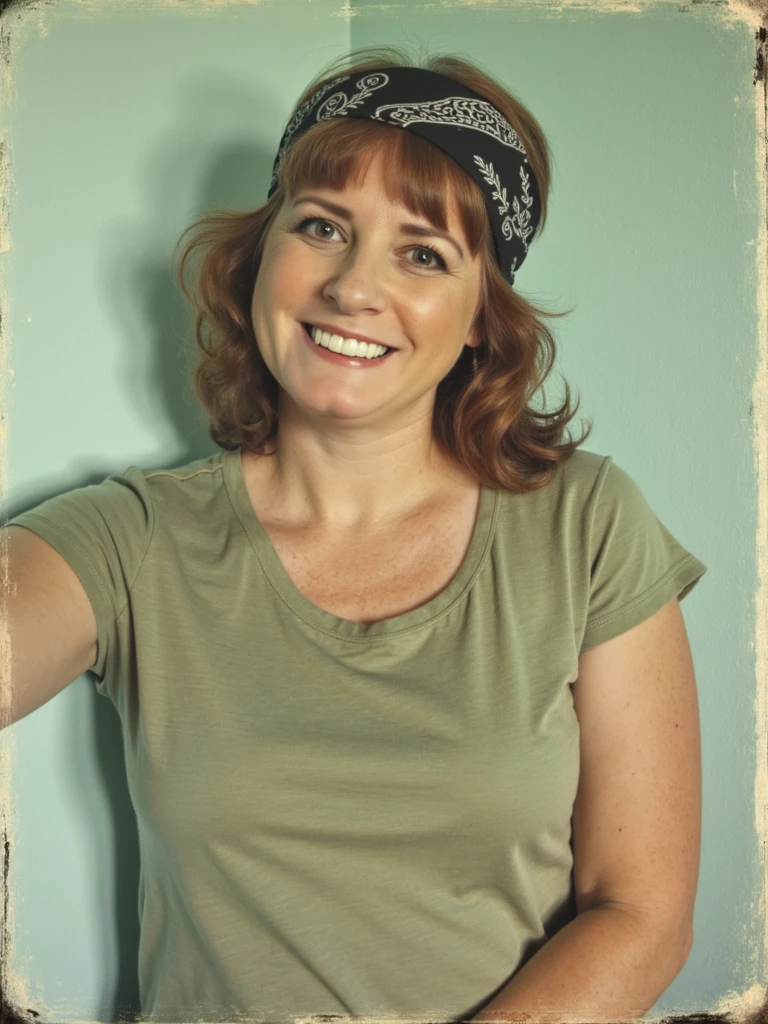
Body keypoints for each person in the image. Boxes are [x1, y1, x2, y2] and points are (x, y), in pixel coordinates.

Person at [2, 45, 707, 1024]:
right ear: (263, 256)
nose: (353, 286)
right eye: (323, 226)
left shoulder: (588, 523)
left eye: (423, 253)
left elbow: (642, 916)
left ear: (480, 316)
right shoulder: (134, 538)